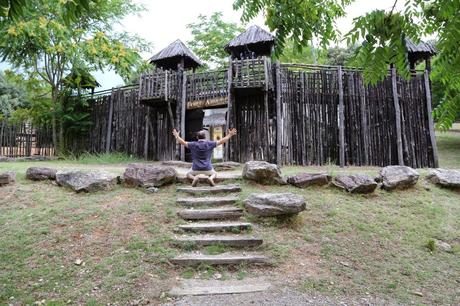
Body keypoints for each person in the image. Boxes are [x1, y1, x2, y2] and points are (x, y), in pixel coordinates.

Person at [172, 128, 237, 187]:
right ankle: (210, 178)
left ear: (197, 137)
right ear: (205, 137)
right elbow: (222, 141)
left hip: (195, 169)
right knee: (215, 173)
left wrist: (177, 136)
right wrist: (230, 135)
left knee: (188, 174)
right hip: (208, 169)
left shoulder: (193, 144)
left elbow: (182, 142)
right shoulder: (210, 144)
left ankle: (194, 178)